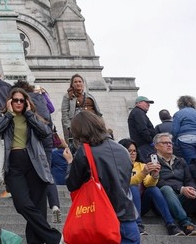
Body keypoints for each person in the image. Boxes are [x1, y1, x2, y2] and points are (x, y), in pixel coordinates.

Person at [0, 87, 61, 244]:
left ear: (26, 102)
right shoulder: (2, 116)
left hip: (34, 164)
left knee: (38, 210)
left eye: (21, 100)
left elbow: (45, 133)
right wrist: (9, 114)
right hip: (14, 165)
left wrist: (29, 114)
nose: (18, 103)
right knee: (22, 205)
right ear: (10, 101)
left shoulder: (32, 117)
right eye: (15, 100)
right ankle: (54, 237)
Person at [65, 112, 139, 243]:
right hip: (128, 218)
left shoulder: (85, 151)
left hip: (101, 220)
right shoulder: (123, 150)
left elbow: (72, 184)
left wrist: (70, 163)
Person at [118, 138, 184, 236]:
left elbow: (149, 184)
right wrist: (143, 173)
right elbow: (125, 184)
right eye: (129, 151)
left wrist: (155, 175)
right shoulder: (117, 165)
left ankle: (171, 225)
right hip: (124, 204)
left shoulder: (141, 165)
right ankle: (138, 225)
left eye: (134, 151)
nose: (133, 153)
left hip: (141, 204)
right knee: (133, 188)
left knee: (154, 189)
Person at [153, 131, 196, 235]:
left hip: (183, 197)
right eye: (165, 143)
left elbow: (189, 179)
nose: (169, 145)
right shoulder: (151, 161)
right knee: (166, 189)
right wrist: (181, 188)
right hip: (165, 200)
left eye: (170, 142)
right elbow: (158, 182)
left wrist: (192, 189)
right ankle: (185, 223)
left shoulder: (180, 161)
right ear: (157, 146)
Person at [60, 73, 103, 146]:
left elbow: (98, 111)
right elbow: (64, 113)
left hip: (93, 124)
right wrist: (70, 127)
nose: (78, 83)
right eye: (75, 82)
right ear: (72, 84)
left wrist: (101, 123)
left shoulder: (90, 96)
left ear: (83, 83)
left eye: (80, 81)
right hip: (79, 125)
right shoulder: (68, 97)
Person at [172, 95, 196, 163]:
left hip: (185, 140)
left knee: (192, 163)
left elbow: (174, 130)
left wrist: (174, 141)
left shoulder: (178, 114)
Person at [127, 96, 157, 162]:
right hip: (145, 145)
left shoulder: (138, 112)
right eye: (146, 102)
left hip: (143, 145)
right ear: (139, 103)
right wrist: (151, 141)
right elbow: (142, 129)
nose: (148, 105)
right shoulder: (138, 112)